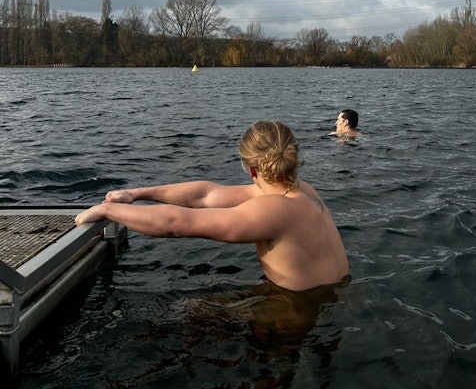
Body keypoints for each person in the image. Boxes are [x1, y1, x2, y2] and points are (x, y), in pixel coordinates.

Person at [75, 120, 350, 292]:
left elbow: (177, 225)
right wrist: (135, 194)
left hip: (294, 318)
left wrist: (108, 211)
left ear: (252, 170)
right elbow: (206, 195)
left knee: (189, 311)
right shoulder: (301, 192)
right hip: (330, 300)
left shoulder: (275, 210)